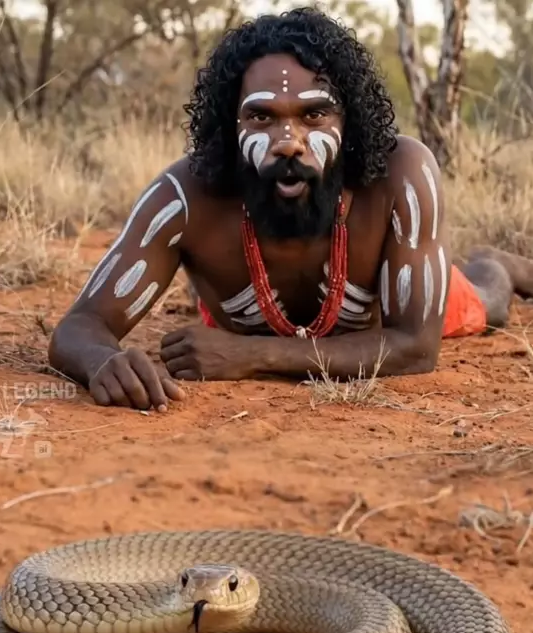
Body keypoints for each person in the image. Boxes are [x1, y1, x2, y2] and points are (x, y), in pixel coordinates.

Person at [49, 7, 533, 412]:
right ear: (229, 123)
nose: (287, 143)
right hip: (250, 328)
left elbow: (416, 347)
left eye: (313, 114)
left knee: (487, 302)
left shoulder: (401, 174)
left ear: (350, 118)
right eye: (261, 116)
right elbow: (81, 325)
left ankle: (503, 264)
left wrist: (251, 355)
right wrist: (100, 362)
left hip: (379, 315)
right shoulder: (183, 198)